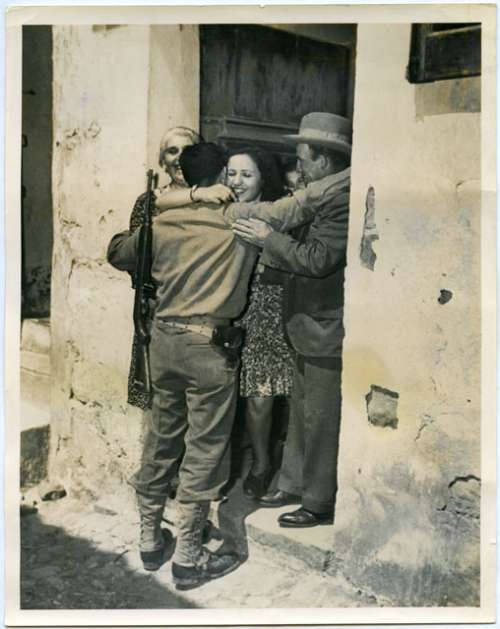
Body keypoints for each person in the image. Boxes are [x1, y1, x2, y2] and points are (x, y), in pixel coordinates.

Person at [107, 142, 345, 588]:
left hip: (163, 342)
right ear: (222, 178)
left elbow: (117, 252)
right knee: (204, 450)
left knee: (160, 440)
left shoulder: (163, 222)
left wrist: (173, 204)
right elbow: (299, 220)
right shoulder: (240, 221)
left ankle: (149, 540)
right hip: (209, 348)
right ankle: (188, 557)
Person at [232, 112, 351, 528]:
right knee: (301, 414)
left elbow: (317, 260)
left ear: (324, 160)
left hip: (324, 327)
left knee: (319, 418)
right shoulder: (321, 194)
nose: (298, 169)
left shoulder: (341, 200)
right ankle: (294, 482)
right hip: (306, 325)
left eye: (303, 160)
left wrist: (269, 239)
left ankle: (318, 502)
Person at [225, 148, 294, 499]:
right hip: (227, 307)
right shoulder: (218, 210)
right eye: (231, 173)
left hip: (266, 307)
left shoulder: (279, 215)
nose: (237, 182)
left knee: (260, 394)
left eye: (246, 175)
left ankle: (262, 464)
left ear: (263, 178)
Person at [127, 126, 202, 410]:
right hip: (158, 309)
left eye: (188, 151)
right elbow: (134, 259)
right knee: (160, 399)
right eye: (172, 151)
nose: (180, 158)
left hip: (201, 309)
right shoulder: (148, 202)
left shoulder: (211, 198)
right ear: (162, 160)